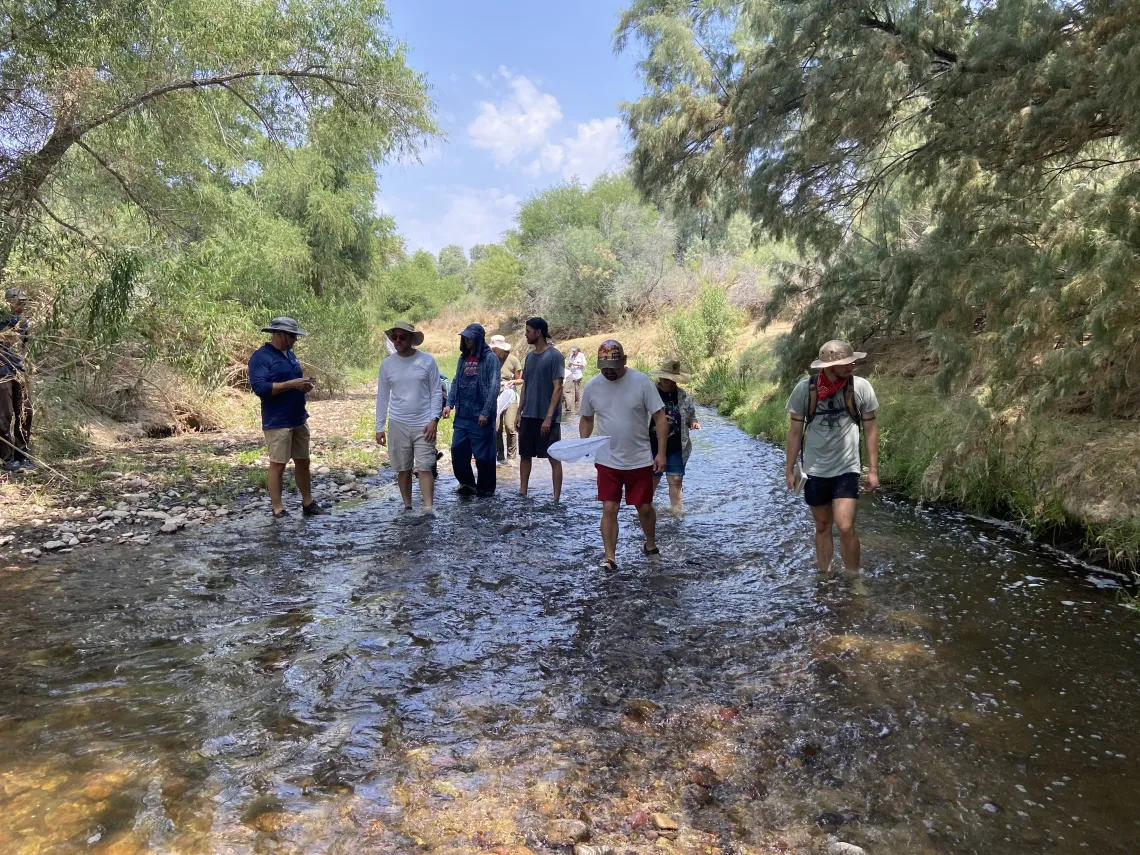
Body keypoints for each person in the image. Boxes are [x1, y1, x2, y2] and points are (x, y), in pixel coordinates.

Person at [784, 340, 880, 583]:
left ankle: (854, 579)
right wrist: (789, 469)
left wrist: (873, 470)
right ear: (828, 366)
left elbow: (870, 430)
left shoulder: (861, 387)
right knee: (822, 526)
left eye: (851, 361)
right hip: (814, 470)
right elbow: (794, 432)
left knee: (845, 526)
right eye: (845, 363)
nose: (851, 366)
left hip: (847, 468)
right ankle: (825, 576)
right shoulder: (804, 390)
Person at [579, 340, 668, 570]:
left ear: (625, 361)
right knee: (609, 508)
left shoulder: (641, 382)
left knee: (644, 507)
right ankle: (610, 558)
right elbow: (587, 418)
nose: (608, 372)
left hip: (639, 458)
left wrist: (661, 453)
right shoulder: (592, 386)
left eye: (613, 367)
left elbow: (659, 417)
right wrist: (584, 443)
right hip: (607, 459)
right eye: (604, 367)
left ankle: (650, 543)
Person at [247, 317, 328, 518]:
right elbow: (260, 388)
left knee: (303, 461)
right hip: (277, 421)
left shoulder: (290, 355)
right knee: (278, 464)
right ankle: (278, 509)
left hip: (298, 417)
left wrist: (304, 385)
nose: (295, 340)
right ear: (279, 334)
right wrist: (292, 384)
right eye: (292, 336)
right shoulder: (261, 357)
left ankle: (308, 504)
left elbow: (292, 382)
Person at [375, 321, 442, 514]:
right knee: (403, 468)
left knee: (425, 467)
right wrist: (379, 427)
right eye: (394, 337)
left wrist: (434, 420)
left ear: (412, 339)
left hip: (424, 423)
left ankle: (428, 508)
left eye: (402, 337)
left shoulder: (427, 361)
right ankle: (408, 506)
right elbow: (382, 397)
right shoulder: (387, 365)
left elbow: (436, 392)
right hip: (397, 423)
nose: (398, 340)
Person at [444, 323, 499, 497]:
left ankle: (486, 492)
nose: (466, 341)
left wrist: (486, 411)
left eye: (469, 338)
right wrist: (449, 404)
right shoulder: (463, 358)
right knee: (457, 450)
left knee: (484, 458)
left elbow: (494, 386)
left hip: (480, 416)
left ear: (478, 339)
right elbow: (455, 381)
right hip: (462, 415)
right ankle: (467, 484)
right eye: (464, 338)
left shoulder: (490, 359)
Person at [515, 317, 565, 501]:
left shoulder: (555, 356)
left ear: (538, 333)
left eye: (528, 331)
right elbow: (525, 386)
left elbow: (558, 387)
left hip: (547, 417)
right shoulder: (529, 357)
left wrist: (549, 418)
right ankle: (522, 492)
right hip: (528, 415)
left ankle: (556, 498)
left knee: (554, 456)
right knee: (525, 455)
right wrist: (519, 412)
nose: (526, 334)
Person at [649, 357, 701, 515]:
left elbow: (691, 414)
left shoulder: (683, 395)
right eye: (667, 380)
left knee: (676, 479)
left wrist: (693, 422)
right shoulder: (651, 393)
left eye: (673, 380)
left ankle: (676, 512)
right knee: (652, 480)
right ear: (660, 377)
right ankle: (644, 511)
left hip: (677, 445)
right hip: (651, 445)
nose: (670, 383)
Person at [0, 287, 33, 471]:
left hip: (18, 372)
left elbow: (23, 347)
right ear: (9, 301)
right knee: (4, 416)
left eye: (24, 301)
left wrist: (25, 367)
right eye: (19, 301)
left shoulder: (22, 323)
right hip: (1, 374)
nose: (22, 305)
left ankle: (23, 456)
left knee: (25, 413)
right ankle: (7, 458)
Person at [490, 334, 522, 465]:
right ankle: (500, 456)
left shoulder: (513, 360)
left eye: (495, 348)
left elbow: (521, 379)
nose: (493, 350)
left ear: (501, 348)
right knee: (496, 427)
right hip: (494, 395)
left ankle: (511, 457)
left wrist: (513, 381)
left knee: (510, 426)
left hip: (509, 395)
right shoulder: (490, 360)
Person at [566, 344, 587, 413]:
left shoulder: (581, 355)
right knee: (568, 388)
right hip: (571, 374)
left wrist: (575, 364)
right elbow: (569, 363)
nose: (573, 352)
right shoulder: (571, 355)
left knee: (576, 389)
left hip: (578, 374)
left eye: (574, 350)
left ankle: (577, 402)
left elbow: (584, 364)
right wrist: (569, 364)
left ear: (577, 350)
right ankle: (569, 403)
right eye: (573, 351)